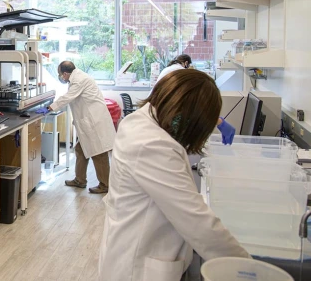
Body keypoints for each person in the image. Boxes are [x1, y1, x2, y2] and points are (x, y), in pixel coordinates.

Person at [98, 69, 250, 281]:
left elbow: (181, 107)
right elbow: (196, 221)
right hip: (139, 268)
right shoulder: (153, 145)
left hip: (130, 244)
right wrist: (248, 270)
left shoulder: (141, 119)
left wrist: (214, 119)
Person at [47, 61, 115, 194]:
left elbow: (68, 97)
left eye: (61, 75)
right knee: (80, 149)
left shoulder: (79, 80)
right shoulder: (77, 77)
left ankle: (105, 184)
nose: (61, 77)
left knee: (98, 153)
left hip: (95, 121)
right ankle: (80, 180)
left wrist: (50, 107)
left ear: (66, 73)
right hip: (91, 120)